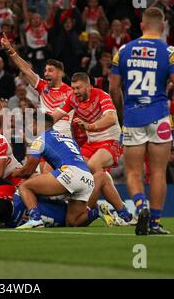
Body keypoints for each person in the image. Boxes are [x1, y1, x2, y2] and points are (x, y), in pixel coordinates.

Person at [109, 7, 174, 235]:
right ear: (163, 27)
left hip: (133, 117)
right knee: (157, 172)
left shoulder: (123, 50)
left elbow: (114, 88)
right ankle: (154, 222)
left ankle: (140, 205)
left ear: (142, 26)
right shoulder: (170, 52)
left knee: (134, 173)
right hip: (160, 117)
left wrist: (121, 114)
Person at [51, 72, 133, 225]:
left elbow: (112, 118)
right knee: (76, 169)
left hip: (111, 139)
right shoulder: (72, 98)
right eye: (73, 88)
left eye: (78, 88)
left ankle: (93, 209)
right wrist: (38, 123)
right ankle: (122, 213)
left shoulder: (101, 95)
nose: (75, 92)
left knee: (94, 165)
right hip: (92, 142)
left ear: (89, 86)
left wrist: (90, 126)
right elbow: (56, 114)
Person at [11, 113, 95, 229]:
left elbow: (27, 172)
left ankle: (35, 219)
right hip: (87, 178)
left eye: (31, 124)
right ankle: (97, 212)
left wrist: (13, 172)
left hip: (70, 174)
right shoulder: (67, 138)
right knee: (72, 222)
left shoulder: (40, 140)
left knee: (25, 187)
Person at [0, 33, 74, 137]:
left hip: (64, 136)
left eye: (50, 71)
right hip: (44, 135)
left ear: (61, 73)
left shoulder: (71, 92)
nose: (46, 73)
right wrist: (11, 51)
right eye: (45, 70)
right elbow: (25, 69)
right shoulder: (43, 86)